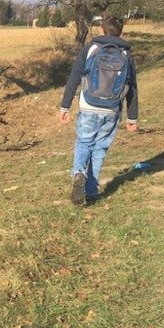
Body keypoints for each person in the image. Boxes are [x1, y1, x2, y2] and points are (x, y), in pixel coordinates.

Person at [59, 17, 138, 206]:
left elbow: (75, 76)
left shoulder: (91, 48)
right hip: (112, 110)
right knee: (100, 148)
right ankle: (92, 190)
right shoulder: (126, 53)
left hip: (88, 106)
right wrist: (132, 117)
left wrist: (65, 106)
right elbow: (132, 87)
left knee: (84, 142)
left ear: (101, 30)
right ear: (121, 32)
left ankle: (79, 173)